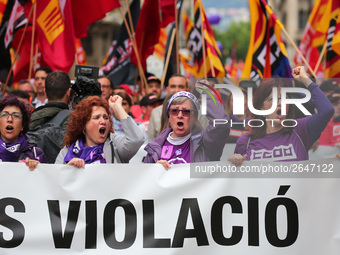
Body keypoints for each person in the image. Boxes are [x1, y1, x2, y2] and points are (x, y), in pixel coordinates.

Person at [228, 66, 334, 166]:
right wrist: (234, 161)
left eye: (284, 98)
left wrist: (305, 79)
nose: (279, 103)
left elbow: (327, 110)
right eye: (272, 99)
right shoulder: (245, 141)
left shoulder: (301, 130)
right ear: (260, 107)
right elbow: (239, 181)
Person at [144, 82, 230, 170]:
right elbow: (145, 179)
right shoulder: (155, 148)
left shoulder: (206, 143)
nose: (180, 115)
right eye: (174, 111)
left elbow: (221, 122)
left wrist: (206, 93)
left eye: (186, 112)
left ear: (195, 117)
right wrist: (154, 169)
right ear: (168, 116)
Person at [55, 95, 144, 167]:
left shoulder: (115, 145)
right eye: (96, 118)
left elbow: (137, 139)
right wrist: (68, 169)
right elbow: (57, 182)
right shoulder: (66, 152)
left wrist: (118, 108)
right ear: (83, 125)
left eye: (106, 117)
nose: (103, 121)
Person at [0, 96, 48, 170]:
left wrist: (38, 169)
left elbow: (46, 180)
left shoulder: (35, 154)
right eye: (4, 115)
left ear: (23, 125)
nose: (10, 119)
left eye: (16, 116)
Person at [147, 74, 189, 142]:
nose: (176, 90)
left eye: (181, 86)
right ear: (167, 90)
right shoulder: (156, 112)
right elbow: (150, 140)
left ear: (187, 90)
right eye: (173, 86)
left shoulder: (197, 111)